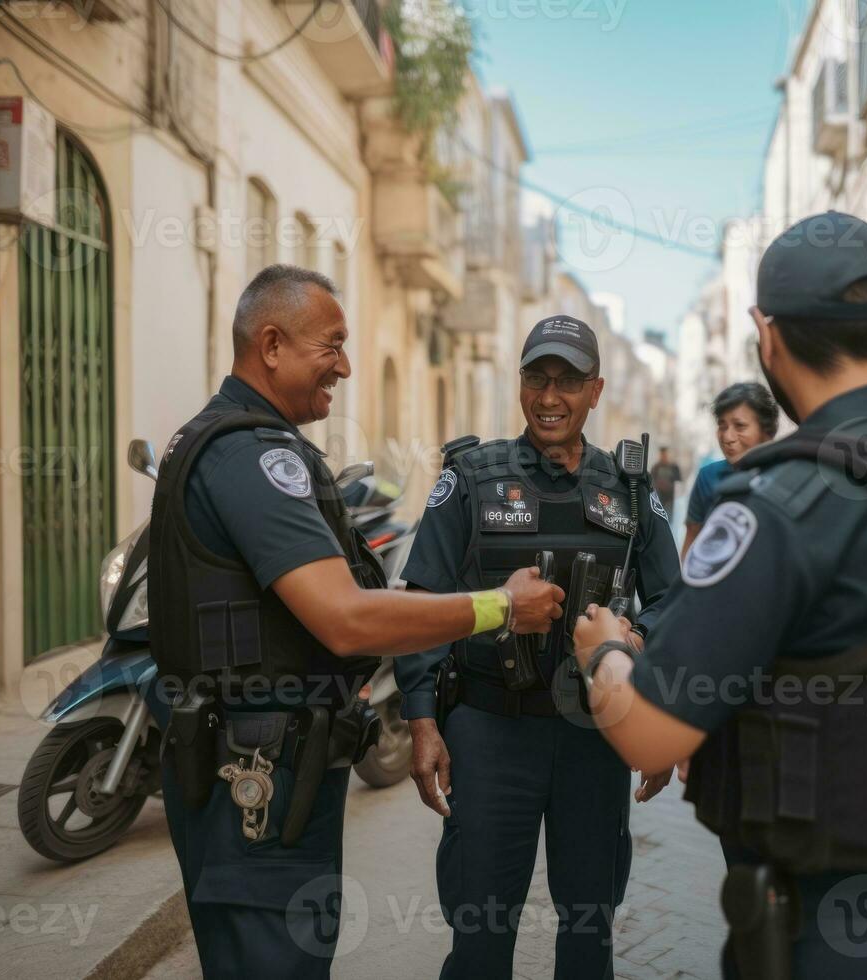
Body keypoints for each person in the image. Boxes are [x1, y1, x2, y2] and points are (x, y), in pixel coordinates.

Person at [573, 212, 867, 979]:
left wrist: (601, 650)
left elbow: (649, 737)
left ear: (765, 337)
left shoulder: (779, 506)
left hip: (839, 935)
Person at [148, 264, 563, 979]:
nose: (343, 365)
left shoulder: (217, 437)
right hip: (261, 774)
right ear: (271, 344)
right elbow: (344, 619)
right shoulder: (252, 455)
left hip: (261, 761)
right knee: (276, 957)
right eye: (330, 345)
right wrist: (500, 606)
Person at [394, 314, 682, 980]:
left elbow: (676, 602)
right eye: (536, 378)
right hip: (490, 732)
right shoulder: (469, 477)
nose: (550, 396)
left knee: (589, 936)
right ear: (519, 384)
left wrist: (642, 655)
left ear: (595, 391)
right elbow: (419, 604)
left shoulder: (631, 493)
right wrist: (420, 720)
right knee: (480, 936)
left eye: (568, 381)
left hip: (593, 737)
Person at [682, 382, 779, 558]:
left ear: (766, 431)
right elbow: (692, 538)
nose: (727, 437)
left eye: (740, 426)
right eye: (722, 426)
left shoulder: (786, 476)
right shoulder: (708, 476)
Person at [650, 447, 683, 522]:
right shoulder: (656, 467)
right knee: (659, 519)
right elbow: (651, 482)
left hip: (670, 499)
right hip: (659, 499)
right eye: (662, 454)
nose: (664, 456)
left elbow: (679, 482)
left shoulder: (674, 467)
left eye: (665, 454)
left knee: (669, 519)